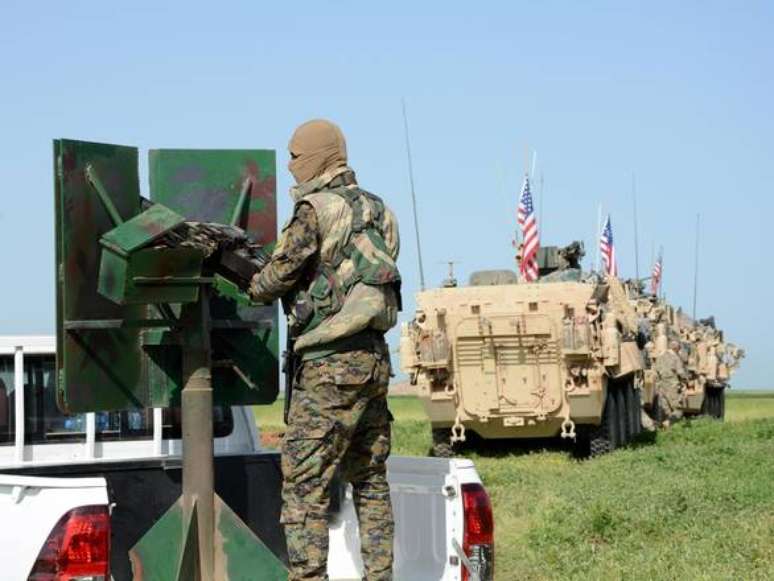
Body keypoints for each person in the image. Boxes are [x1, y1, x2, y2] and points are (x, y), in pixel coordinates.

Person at [250, 119, 401, 581]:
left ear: (318, 156)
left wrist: (254, 285)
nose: (290, 166)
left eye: (296, 156)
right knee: (370, 481)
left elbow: (280, 273)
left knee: (304, 487)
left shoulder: (314, 209)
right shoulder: (380, 209)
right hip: (374, 362)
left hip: (328, 366)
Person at [654, 339, 688, 426]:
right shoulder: (676, 357)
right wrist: (686, 380)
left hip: (662, 386)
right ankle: (668, 423)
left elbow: (655, 372)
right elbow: (681, 373)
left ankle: (666, 427)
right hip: (673, 386)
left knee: (666, 410)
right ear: (677, 348)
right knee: (678, 410)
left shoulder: (660, 357)